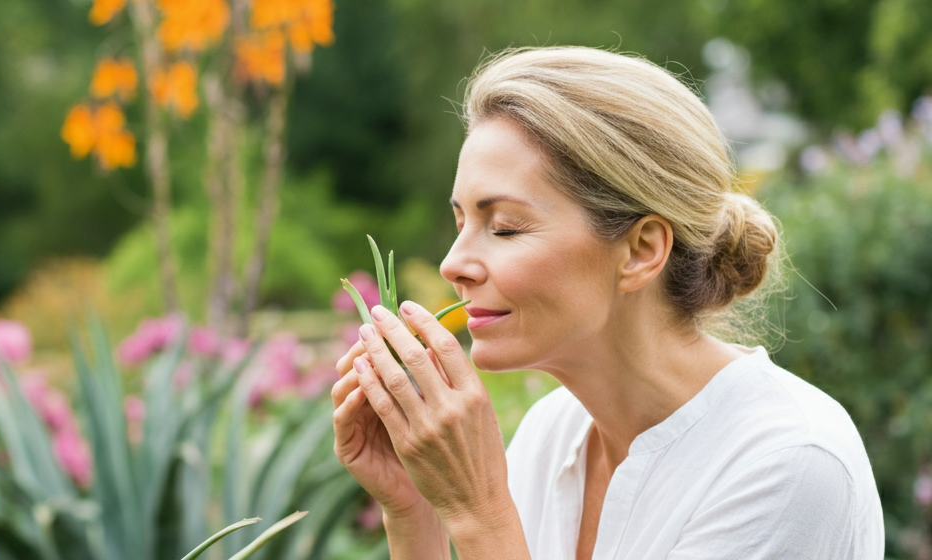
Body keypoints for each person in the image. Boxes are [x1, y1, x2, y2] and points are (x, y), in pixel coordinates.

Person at [331, 46, 884, 559]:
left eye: (503, 227)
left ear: (642, 250)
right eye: (461, 222)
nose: (454, 263)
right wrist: (415, 510)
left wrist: (479, 514)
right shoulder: (553, 434)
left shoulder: (789, 467)